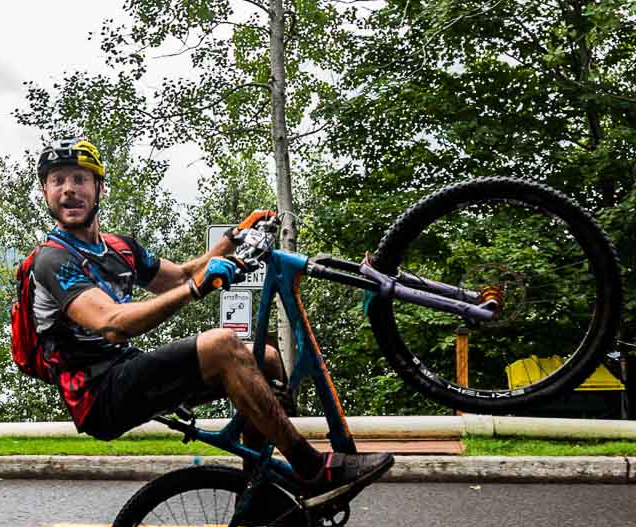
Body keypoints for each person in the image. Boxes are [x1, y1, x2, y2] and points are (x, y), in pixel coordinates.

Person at [25, 133, 393, 507]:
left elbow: (183, 274)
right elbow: (114, 322)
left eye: (79, 179)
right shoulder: (54, 260)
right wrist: (196, 289)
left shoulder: (121, 249)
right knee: (222, 346)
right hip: (97, 396)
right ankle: (313, 469)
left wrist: (234, 237)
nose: (68, 190)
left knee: (263, 358)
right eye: (57, 180)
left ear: (99, 187)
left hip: (127, 371)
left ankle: (257, 493)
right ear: (45, 192)